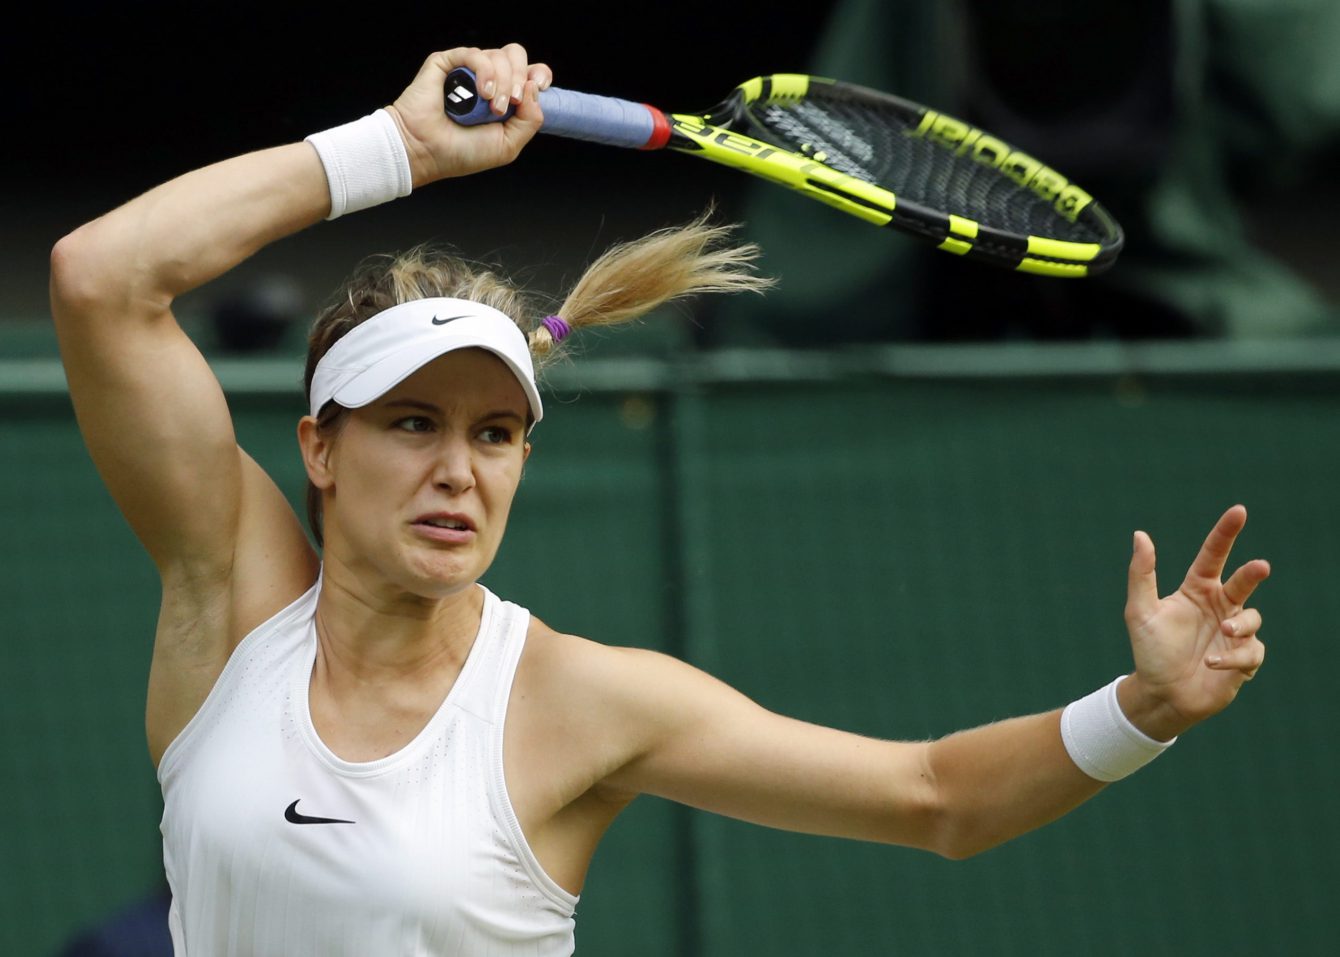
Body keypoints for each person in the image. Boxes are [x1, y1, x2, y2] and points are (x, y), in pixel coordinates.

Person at [48, 43, 1271, 955]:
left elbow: (933, 798)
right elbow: (102, 277)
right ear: (319, 447)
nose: (457, 471)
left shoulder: (581, 701)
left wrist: (1143, 709)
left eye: (494, 433)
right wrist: (400, 151)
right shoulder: (233, 601)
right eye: (411, 424)